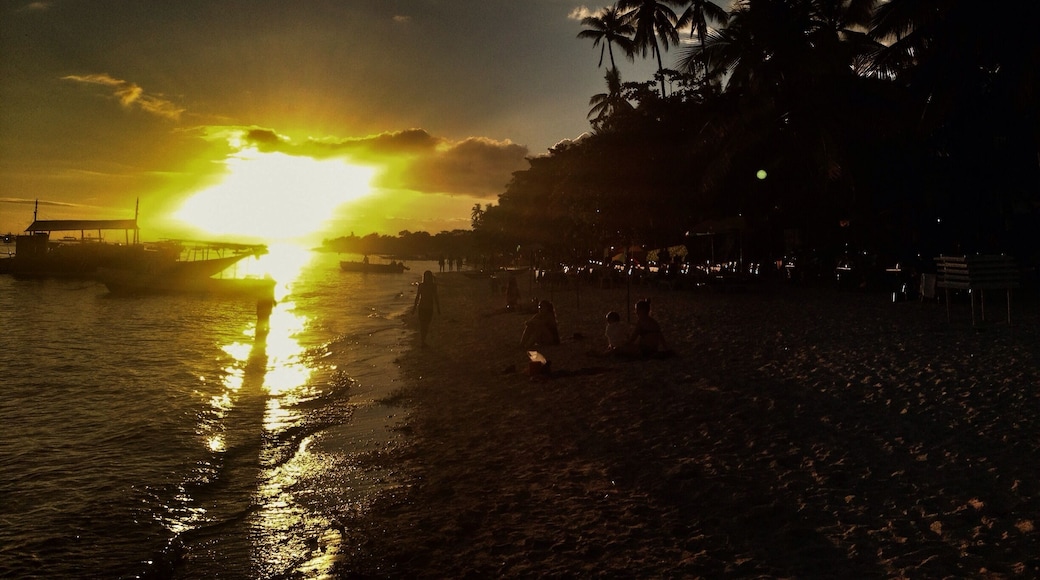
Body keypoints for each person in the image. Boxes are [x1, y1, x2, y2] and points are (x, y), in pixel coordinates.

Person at [413, 270, 441, 348]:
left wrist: (438, 308)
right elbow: (417, 297)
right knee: (422, 325)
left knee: (426, 325)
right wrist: (414, 308)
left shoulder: (433, 286)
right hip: (422, 308)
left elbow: (436, 297)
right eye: (426, 277)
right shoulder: (421, 286)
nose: (427, 278)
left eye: (429, 277)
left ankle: (423, 340)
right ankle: (422, 341)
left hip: (429, 308)